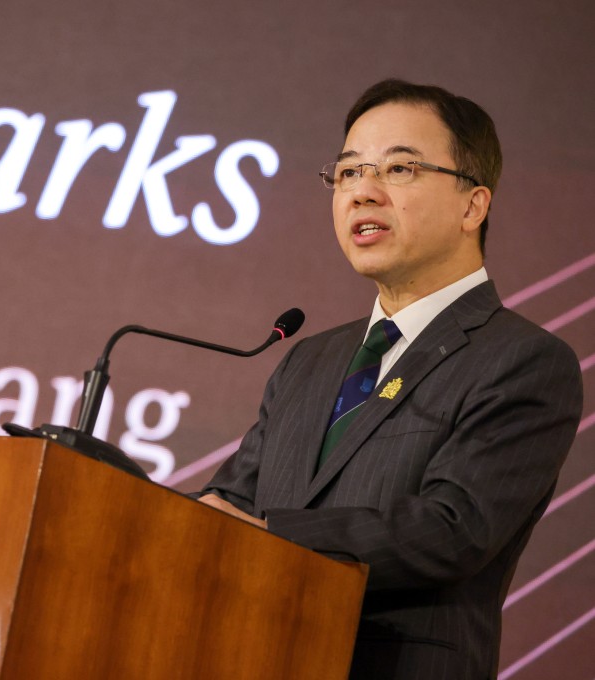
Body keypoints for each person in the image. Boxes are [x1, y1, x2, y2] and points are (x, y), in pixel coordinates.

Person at [198, 79, 583, 680]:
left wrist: (268, 533)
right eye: (348, 173)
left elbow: (454, 529)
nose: (362, 193)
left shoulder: (523, 361)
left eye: (398, 168)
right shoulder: (309, 359)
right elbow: (232, 507)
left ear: (472, 204)